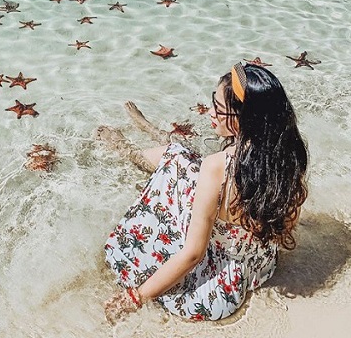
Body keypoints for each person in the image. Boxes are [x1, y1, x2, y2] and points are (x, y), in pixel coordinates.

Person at [98, 63, 308, 323]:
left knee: (177, 158)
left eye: (218, 109)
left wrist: (135, 298)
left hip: (215, 287)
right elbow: (284, 225)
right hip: (256, 268)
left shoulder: (217, 167)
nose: (210, 112)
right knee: (187, 157)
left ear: (245, 118)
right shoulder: (287, 158)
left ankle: (128, 151)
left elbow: (193, 254)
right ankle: (149, 133)